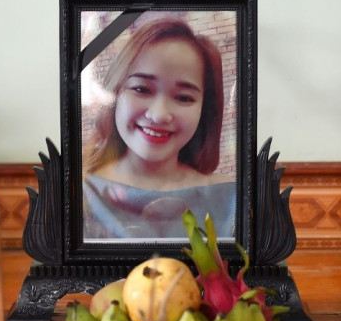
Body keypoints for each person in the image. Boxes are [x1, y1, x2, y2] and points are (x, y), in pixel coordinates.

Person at [82, 17, 236, 240]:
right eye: (142, 89)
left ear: (205, 109)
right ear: (114, 93)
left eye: (184, 97)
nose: (159, 115)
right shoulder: (81, 194)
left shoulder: (232, 199)